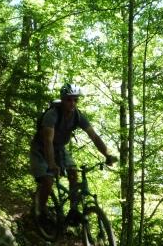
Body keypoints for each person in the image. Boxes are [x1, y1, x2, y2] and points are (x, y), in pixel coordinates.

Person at [30, 83, 117, 226]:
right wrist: (51, 164)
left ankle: (73, 211)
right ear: (63, 99)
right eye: (69, 99)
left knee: (73, 173)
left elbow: (94, 136)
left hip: (59, 148)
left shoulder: (78, 116)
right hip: (40, 148)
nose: (72, 103)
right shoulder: (52, 115)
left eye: (75, 100)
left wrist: (107, 154)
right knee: (48, 180)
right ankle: (40, 210)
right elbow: (47, 141)